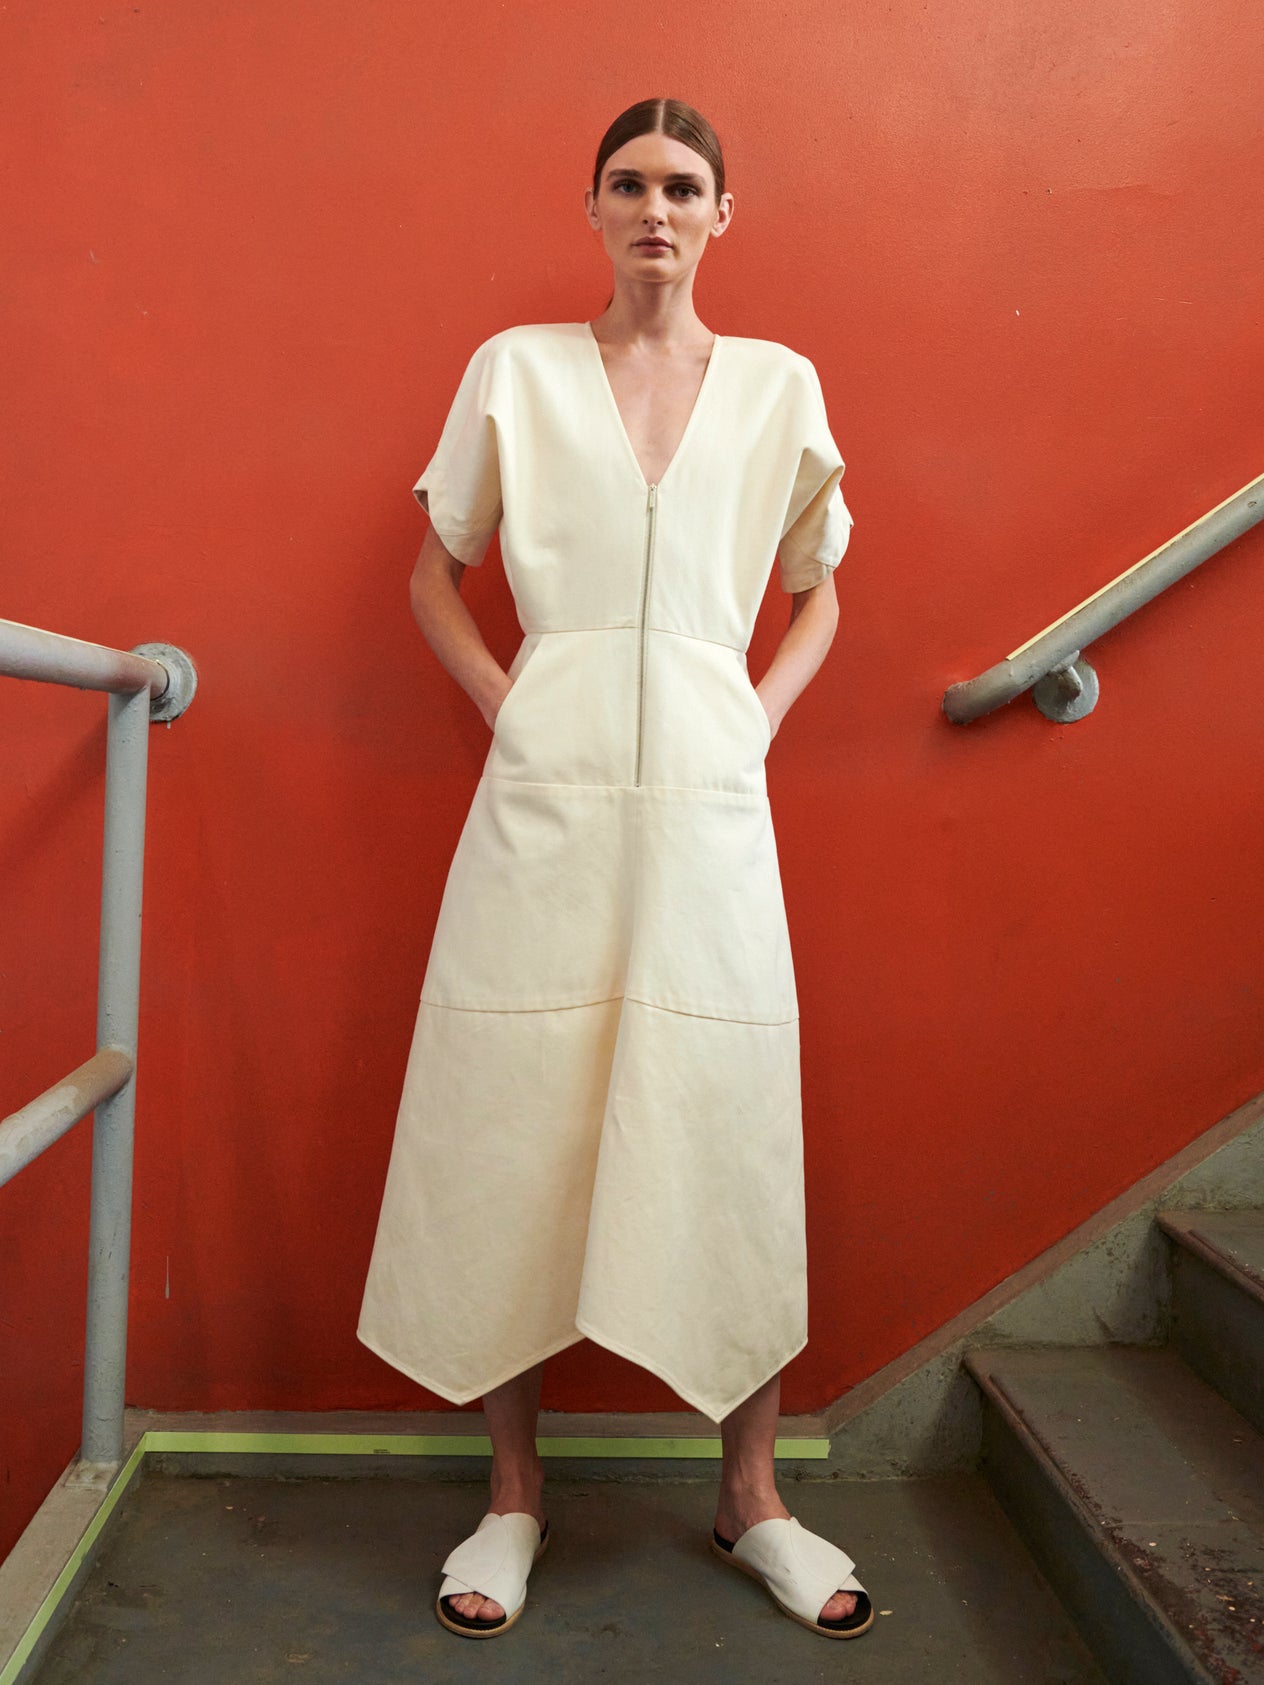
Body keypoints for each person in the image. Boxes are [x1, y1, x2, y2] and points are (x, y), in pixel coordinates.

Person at [357, 96, 872, 1643]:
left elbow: (821, 586)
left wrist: (751, 721)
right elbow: (432, 572)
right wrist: (515, 708)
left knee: (725, 1107)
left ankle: (754, 1493)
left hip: (711, 794)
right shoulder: (513, 371)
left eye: (686, 187)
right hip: (546, 783)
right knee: (512, 1106)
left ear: (727, 215)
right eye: (631, 185)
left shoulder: (779, 387)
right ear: (592, 208)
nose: (658, 209)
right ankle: (513, 1493)